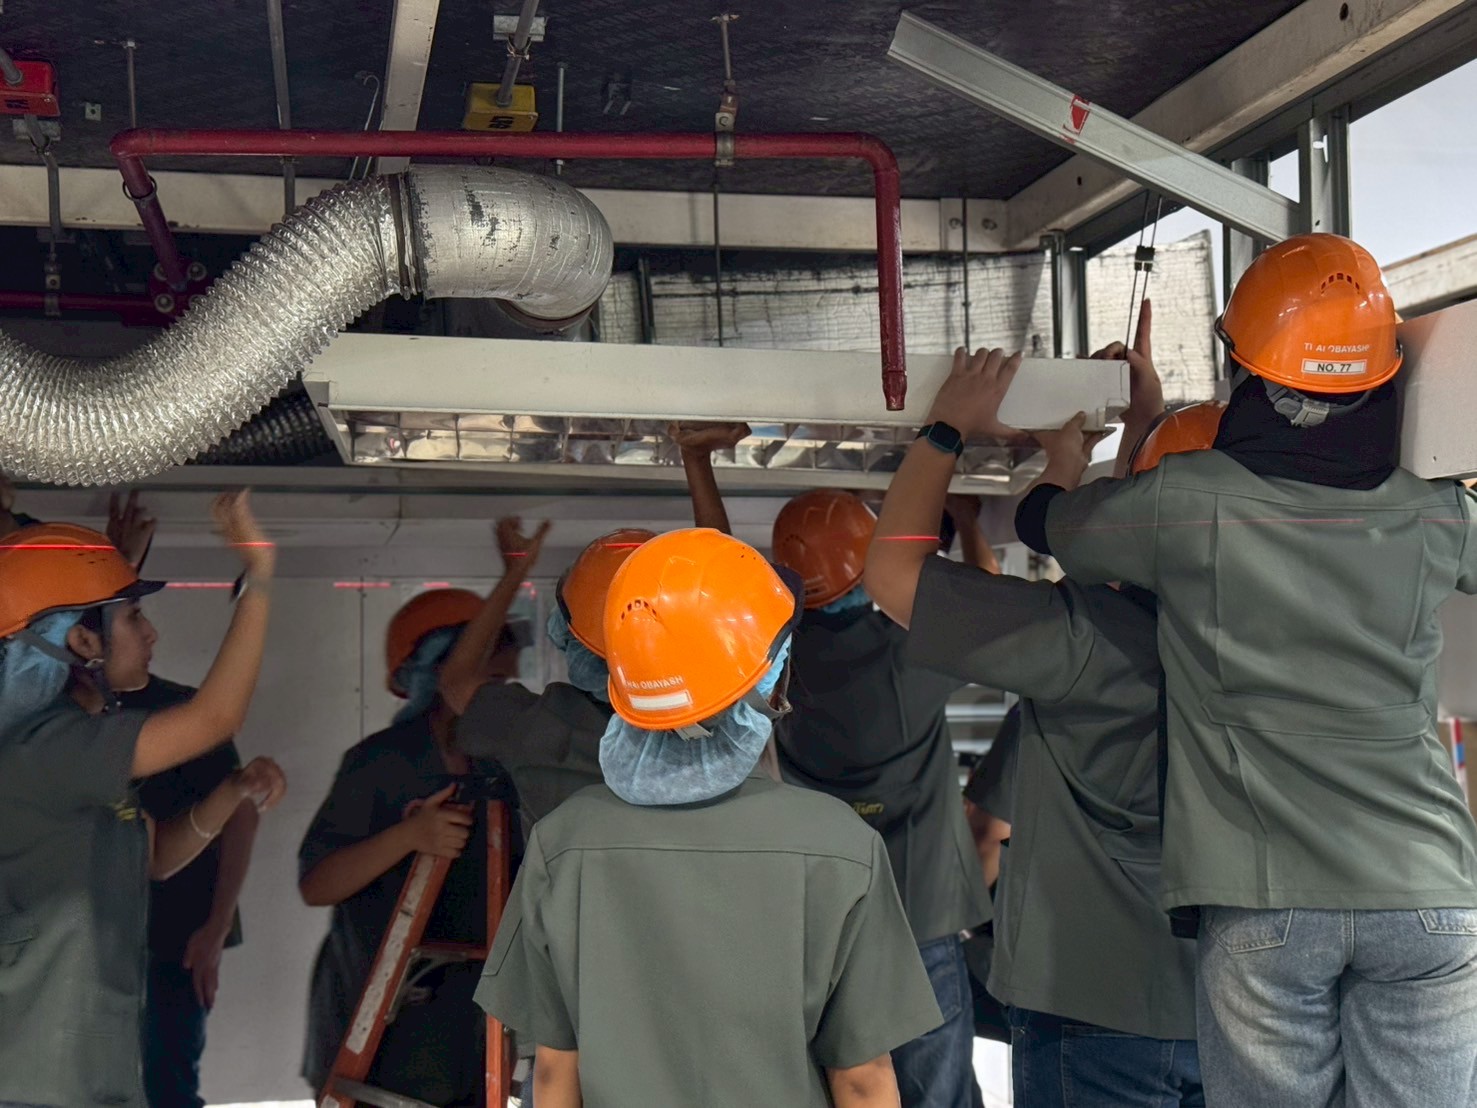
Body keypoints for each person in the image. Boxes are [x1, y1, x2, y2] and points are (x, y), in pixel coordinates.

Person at [1011, 234, 1477, 1108]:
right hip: (1427, 895)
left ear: (1246, 371)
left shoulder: (1188, 504)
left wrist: (1087, 447)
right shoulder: (1435, 514)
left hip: (1267, 902)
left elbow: (1047, 524)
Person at [476, 527, 943, 1107]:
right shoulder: (840, 845)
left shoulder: (563, 843)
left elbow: (553, 1072)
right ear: (772, 673)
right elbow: (862, 1079)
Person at [866, 328, 1207, 1106]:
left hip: (1093, 1005)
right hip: (1234, 1001)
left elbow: (892, 571)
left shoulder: (1079, 639)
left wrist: (946, 428)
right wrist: (1136, 427)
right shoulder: (1277, 631)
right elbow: (1140, 546)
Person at [677, 427, 992, 1107]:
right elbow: (992, 603)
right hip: (923, 912)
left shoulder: (773, 660)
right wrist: (967, 522)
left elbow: (720, 576)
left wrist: (696, 460)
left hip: (827, 915)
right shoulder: (916, 651)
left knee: (845, 1085)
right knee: (937, 1091)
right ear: (869, 563)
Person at [0, 493, 286, 1108]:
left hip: (87, 1074)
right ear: (83, 642)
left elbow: (156, 857)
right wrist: (259, 574)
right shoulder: (50, 748)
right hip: (40, 1084)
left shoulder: (75, 745)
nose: (150, 632)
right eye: (132, 617)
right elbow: (215, 718)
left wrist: (232, 791)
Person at [298, 583, 527, 1105]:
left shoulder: (502, 770)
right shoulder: (379, 764)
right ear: (438, 670)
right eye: (490, 681)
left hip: (468, 1039)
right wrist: (409, 837)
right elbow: (317, 884)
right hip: (373, 1037)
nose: (498, 699)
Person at [443, 518, 653, 840]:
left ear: (570, 637)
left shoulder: (543, 725)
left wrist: (515, 572)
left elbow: (456, 682)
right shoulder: (723, 730)